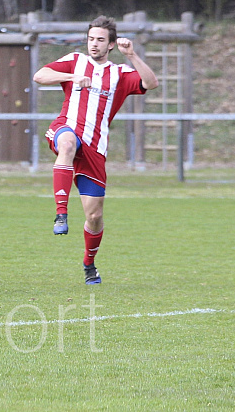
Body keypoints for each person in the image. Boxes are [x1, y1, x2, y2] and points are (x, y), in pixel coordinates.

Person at [33, 15, 159, 285]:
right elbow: (39, 76)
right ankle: (61, 212)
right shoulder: (75, 61)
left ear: (111, 44)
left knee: (94, 216)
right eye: (91, 39)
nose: (94, 44)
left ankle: (89, 264)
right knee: (66, 143)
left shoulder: (120, 74)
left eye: (100, 40)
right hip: (65, 128)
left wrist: (133, 55)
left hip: (95, 148)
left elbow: (151, 83)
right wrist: (71, 77)